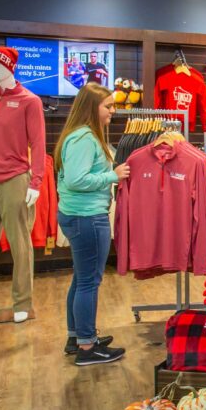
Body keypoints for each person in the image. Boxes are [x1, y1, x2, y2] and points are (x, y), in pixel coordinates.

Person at [56, 82, 130, 366]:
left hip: (79, 215)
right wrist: (113, 175)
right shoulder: (84, 138)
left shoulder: (79, 136)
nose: (113, 111)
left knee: (81, 278)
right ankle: (87, 347)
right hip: (87, 217)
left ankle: (77, 337)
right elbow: (77, 179)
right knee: (89, 281)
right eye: (108, 106)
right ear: (91, 108)